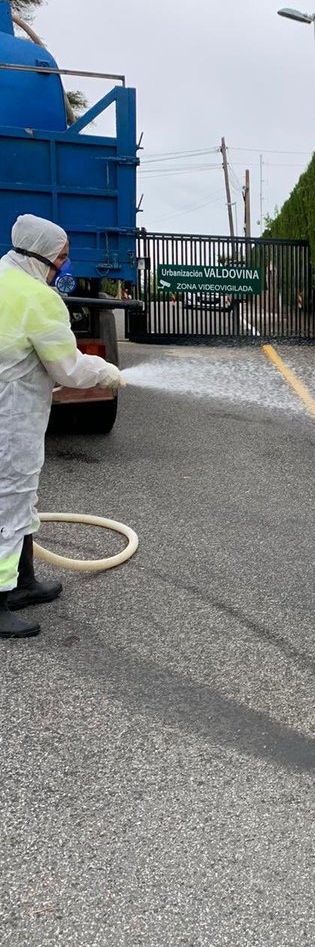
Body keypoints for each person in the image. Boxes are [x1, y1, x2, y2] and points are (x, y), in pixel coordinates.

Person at [0, 214, 125, 639]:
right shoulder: (38, 297)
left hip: (8, 404)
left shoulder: (3, 274)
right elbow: (68, 368)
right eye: (62, 258)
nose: (64, 267)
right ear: (40, 255)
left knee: (20, 496)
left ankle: (25, 582)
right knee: (10, 501)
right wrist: (105, 371)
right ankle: (1, 599)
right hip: (12, 413)